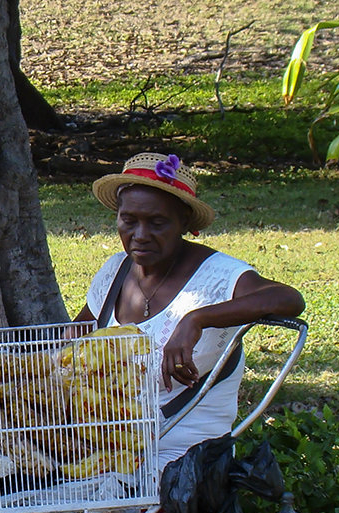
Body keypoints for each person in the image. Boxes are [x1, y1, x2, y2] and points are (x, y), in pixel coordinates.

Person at [74, 152, 305, 471]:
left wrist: (196, 319)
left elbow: (288, 298)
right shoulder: (115, 271)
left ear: (184, 223)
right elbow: (74, 338)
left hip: (185, 456)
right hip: (110, 447)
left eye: (157, 223)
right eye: (129, 221)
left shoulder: (217, 275)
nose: (139, 235)